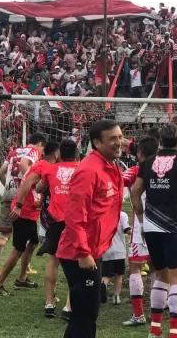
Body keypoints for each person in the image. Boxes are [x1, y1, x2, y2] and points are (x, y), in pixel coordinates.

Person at [57, 120, 124, 338]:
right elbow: (75, 216)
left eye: (120, 137)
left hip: (94, 250)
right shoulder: (88, 170)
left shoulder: (112, 166)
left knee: (89, 310)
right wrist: (84, 252)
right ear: (96, 143)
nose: (119, 142)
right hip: (79, 253)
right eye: (112, 139)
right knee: (85, 314)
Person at [131, 124, 177, 338]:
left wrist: (142, 221)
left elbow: (135, 192)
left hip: (151, 225)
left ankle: (154, 330)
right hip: (174, 226)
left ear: (161, 140)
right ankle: (175, 332)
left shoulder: (148, 161)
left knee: (160, 275)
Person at [0, 141, 59, 297]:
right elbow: (27, 183)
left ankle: (22, 279)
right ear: (56, 154)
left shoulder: (42, 165)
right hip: (23, 212)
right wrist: (19, 205)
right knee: (18, 249)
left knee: (32, 242)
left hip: (29, 212)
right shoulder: (43, 166)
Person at [0, 132, 46, 279]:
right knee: (27, 233)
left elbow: (1, 172)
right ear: (40, 145)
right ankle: (26, 268)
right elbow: (24, 165)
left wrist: (7, 187)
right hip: (23, 195)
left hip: (8, 193)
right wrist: (31, 182)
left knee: (5, 233)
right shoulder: (34, 151)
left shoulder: (14, 151)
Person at [35, 139, 79, 318]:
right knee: (75, 263)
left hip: (55, 220)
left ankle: (49, 304)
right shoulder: (82, 169)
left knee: (53, 260)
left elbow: (38, 187)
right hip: (75, 220)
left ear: (59, 154)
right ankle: (69, 306)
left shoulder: (51, 169)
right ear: (77, 154)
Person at [121, 136, 160, 327]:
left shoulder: (136, 170)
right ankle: (157, 312)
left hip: (141, 226)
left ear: (140, 154)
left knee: (135, 267)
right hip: (162, 227)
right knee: (156, 268)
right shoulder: (165, 172)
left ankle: (138, 314)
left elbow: (120, 180)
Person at [100, 210, 130, 305]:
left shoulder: (103, 213)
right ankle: (116, 297)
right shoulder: (122, 215)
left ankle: (103, 284)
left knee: (106, 275)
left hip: (106, 250)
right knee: (119, 274)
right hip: (119, 251)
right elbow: (127, 230)